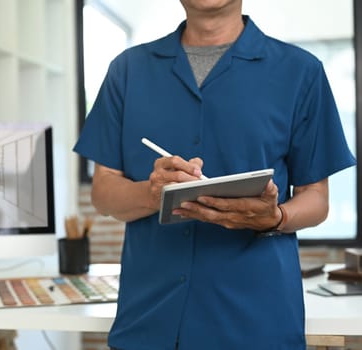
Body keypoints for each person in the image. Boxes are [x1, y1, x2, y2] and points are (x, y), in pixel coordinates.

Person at [73, 0, 356, 349]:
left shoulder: (301, 72)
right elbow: (103, 193)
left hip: (257, 325)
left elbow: (317, 199)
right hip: (148, 323)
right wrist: (151, 192)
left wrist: (276, 216)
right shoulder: (127, 71)